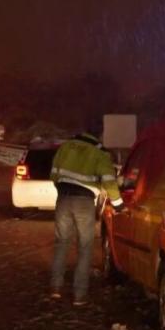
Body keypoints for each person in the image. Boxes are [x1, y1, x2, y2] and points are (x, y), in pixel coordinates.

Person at [49, 129, 124, 306]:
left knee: (61, 243)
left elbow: (53, 174)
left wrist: (63, 189)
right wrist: (118, 203)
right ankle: (79, 295)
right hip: (84, 202)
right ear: (97, 136)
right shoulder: (100, 153)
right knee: (84, 247)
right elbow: (109, 180)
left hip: (63, 197)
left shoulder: (66, 147)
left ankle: (55, 288)